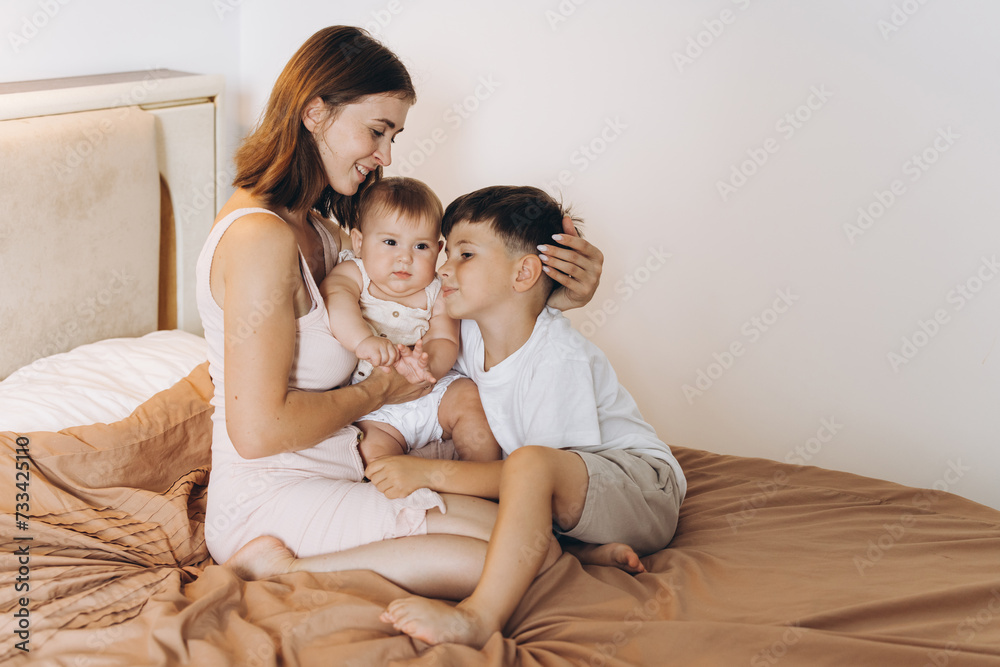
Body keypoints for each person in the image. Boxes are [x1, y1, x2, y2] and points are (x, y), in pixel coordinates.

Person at [197, 26, 605, 601]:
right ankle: (277, 570)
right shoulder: (259, 238)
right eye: (377, 131)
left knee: (535, 543)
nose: (385, 156)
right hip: (271, 498)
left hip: (339, 471)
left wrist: (558, 295)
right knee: (528, 562)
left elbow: (418, 303)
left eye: (393, 137)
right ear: (316, 113)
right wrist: (379, 392)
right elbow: (259, 431)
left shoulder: (321, 232)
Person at [368, 186, 687, 647]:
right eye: (446, 251)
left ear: (523, 272)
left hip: (643, 485)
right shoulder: (470, 336)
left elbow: (534, 472)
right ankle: (580, 552)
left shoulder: (556, 355)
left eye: (465, 254)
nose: (442, 268)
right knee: (524, 466)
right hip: (580, 492)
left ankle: (478, 617)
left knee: (530, 465)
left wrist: (427, 473)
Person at [319, 176, 500, 465]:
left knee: (469, 399)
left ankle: (480, 475)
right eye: (390, 242)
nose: (404, 258)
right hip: (378, 407)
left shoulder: (436, 289)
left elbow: (444, 338)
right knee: (369, 452)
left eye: (421, 247)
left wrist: (428, 367)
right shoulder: (354, 273)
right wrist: (363, 341)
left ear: (439, 250)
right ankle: (409, 479)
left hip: (432, 391)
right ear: (359, 242)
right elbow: (336, 300)